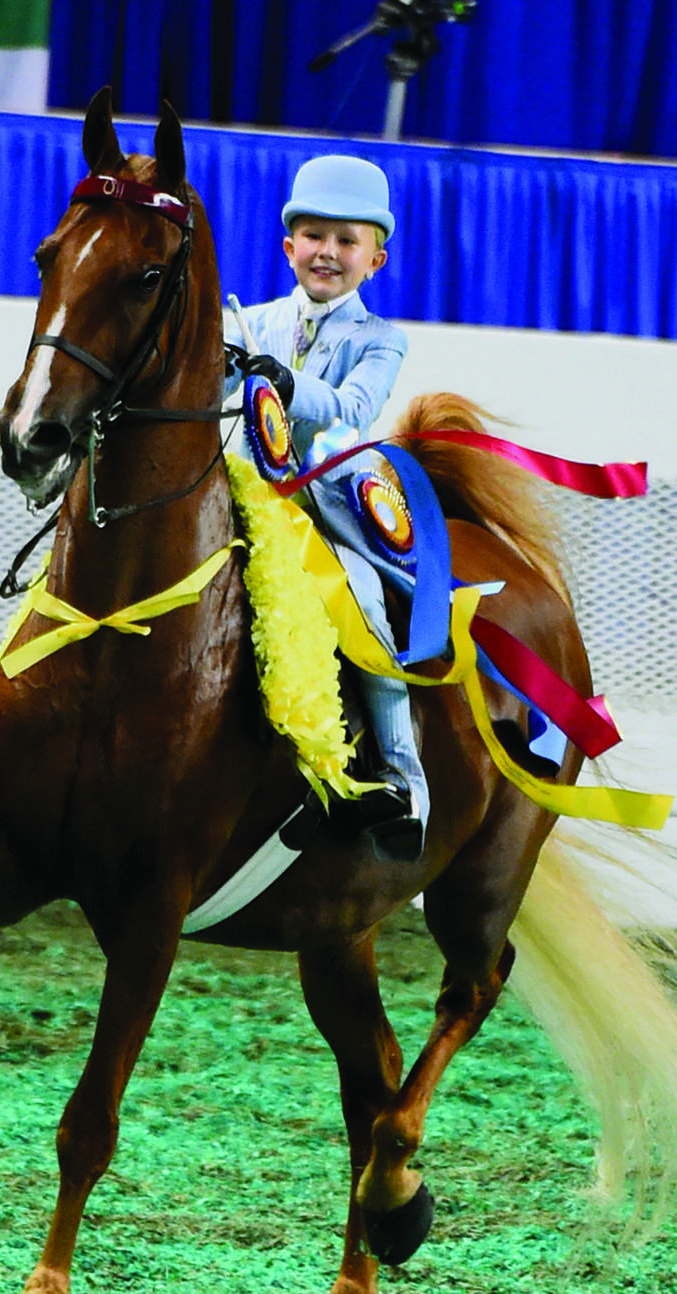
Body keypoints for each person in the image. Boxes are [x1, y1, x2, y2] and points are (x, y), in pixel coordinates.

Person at [224, 155, 428, 862]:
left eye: (348, 241)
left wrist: (280, 382)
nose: (329, 253)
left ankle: (403, 775)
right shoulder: (250, 322)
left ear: (376, 258)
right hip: (246, 493)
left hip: (327, 503)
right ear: (289, 247)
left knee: (365, 603)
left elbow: (350, 410)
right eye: (314, 236)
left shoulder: (380, 340)